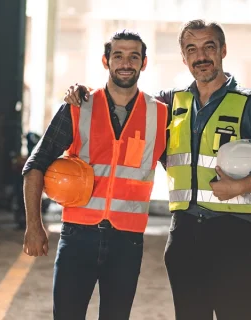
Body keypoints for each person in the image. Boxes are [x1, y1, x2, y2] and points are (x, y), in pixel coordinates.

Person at [64, 20, 251, 320]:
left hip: (232, 235)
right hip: (183, 234)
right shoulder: (168, 103)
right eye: (191, 49)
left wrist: (242, 186)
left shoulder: (250, 103)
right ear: (183, 57)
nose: (201, 56)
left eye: (209, 46)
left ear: (223, 50)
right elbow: (125, 101)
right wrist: (83, 92)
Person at [22, 30, 168, 320]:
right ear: (106, 61)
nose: (125, 63)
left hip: (127, 241)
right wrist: (34, 226)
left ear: (144, 63)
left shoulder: (160, 115)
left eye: (133, 56)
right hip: (78, 236)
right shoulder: (78, 106)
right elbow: (35, 164)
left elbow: (182, 168)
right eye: (118, 56)